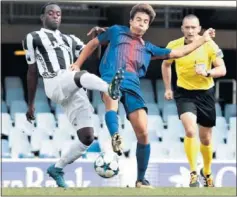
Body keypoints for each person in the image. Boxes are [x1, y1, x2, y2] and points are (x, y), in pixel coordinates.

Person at [70, 4, 216, 188]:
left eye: (145, 22)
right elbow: (92, 44)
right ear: (131, 21)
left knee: (144, 134)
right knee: (111, 98)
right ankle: (116, 135)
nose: (141, 23)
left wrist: (203, 40)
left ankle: (141, 180)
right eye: (138, 19)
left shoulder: (149, 48)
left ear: (147, 27)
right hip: (111, 78)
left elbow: (180, 52)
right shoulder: (116, 31)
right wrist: (77, 64)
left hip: (133, 86)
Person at [22, 2, 124, 188]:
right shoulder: (33, 37)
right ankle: (109, 89)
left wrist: (98, 39)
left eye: (58, 13)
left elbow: (91, 54)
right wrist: (31, 104)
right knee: (81, 75)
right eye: (51, 13)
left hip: (74, 88)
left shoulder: (70, 39)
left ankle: (57, 168)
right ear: (42, 17)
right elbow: (31, 71)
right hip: (54, 81)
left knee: (87, 137)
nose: (55, 16)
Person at [161, 14, 226, 187]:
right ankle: (193, 174)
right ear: (182, 29)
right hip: (184, 93)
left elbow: (222, 69)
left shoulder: (209, 45)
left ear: (199, 29)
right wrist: (168, 88)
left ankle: (207, 172)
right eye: (187, 27)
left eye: (193, 27)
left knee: (206, 139)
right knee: (190, 131)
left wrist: (207, 73)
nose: (190, 31)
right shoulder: (173, 46)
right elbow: (165, 65)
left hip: (206, 94)